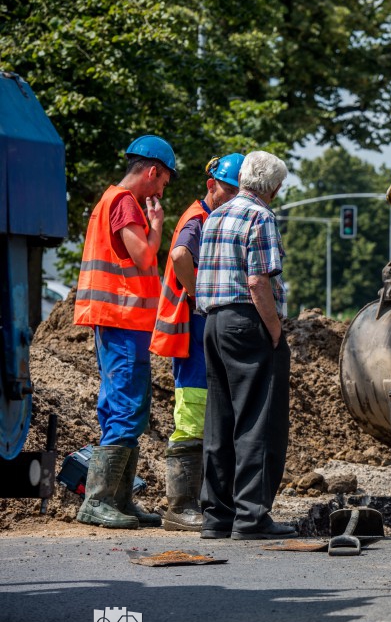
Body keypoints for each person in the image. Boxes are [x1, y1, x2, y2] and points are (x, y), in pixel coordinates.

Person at [73, 135, 176, 529]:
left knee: (124, 406)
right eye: (164, 179)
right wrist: (157, 225)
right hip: (122, 318)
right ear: (152, 171)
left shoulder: (110, 199)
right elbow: (145, 254)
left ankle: (118, 499)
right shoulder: (124, 202)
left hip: (118, 319)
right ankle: (98, 501)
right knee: (126, 407)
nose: (162, 187)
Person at [195, 151, 295, 540]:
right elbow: (258, 282)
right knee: (259, 420)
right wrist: (273, 329)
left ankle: (216, 516)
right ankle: (252, 517)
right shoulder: (261, 216)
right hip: (246, 321)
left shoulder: (217, 214)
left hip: (214, 323)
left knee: (219, 422)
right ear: (273, 187)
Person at [150, 153, 244, 531]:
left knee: (207, 415)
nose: (234, 197)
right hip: (192, 333)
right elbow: (178, 256)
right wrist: (198, 295)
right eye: (229, 189)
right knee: (191, 414)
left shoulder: (214, 218)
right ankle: (180, 506)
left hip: (201, 332)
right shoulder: (198, 218)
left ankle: (204, 502)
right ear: (212, 186)